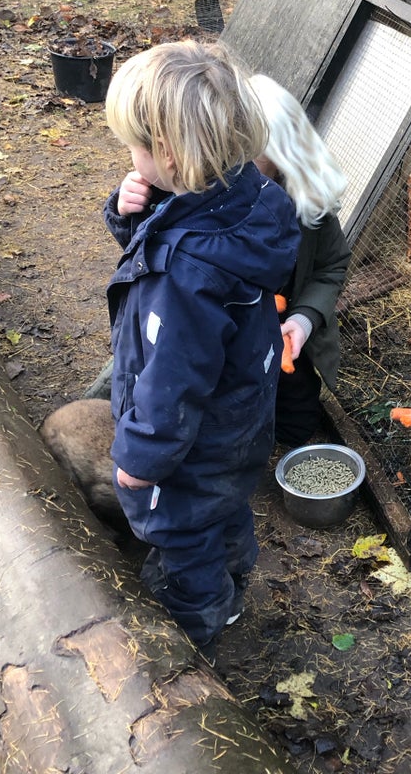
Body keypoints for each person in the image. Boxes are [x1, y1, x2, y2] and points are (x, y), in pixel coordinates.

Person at [101, 40, 300, 659]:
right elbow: (189, 240)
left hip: (189, 441)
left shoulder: (184, 277)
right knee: (227, 501)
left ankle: (196, 626)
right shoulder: (249, 196)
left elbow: (172, 378)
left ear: (167, 152)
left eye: (134, 147)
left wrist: (139, 461)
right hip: (240, 419)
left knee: (182, 531)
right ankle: (236, 579)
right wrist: (134, 215)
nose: (129, 159)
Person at [249, 74, 352, 448]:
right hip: (225, 336)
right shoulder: (203, 191)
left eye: (256, 158)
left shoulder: (305, 196)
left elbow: (331, 266)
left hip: (283, 330)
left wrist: (304, 319)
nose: (244, 168)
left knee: (296, 427)